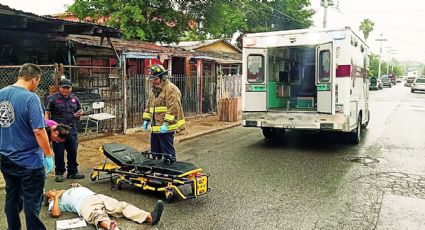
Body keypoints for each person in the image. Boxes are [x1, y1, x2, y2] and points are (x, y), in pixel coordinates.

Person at [0, 63, 54, 230]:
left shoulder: (1, 94)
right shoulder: (31, 98)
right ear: (34, 79)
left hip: (5, 157)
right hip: (29, 161)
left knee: (12, 196)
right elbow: (39, 131)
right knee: (32, 203)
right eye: (38, 82)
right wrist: (48, 155)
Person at [44, 183, 164, 229]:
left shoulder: (66, 191)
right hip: (84, 205)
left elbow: (80, 190)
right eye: (51, 191)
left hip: (97, 196)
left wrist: (78, 186)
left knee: (121, 206)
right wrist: (56, 197)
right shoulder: (54, 201)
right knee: (97, 215)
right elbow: (56, 214)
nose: (54, 189)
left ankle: (149, 217)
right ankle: (110, 227)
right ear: (49, 197)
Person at [142, 64, 185, 162]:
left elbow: (174, 108)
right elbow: (149, 106)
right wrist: (146, 120)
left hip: (166, 128)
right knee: (155, 153)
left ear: (162, 77)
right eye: (152, 79)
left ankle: (171, 171)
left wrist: (166, 124)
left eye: (155, 79)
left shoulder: (171, 89)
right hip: (156, 127)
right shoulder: (155, 90)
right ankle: (158, 171)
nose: (153, 81)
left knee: (167, 154)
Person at [45, 77, 85, 182]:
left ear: (71, 88)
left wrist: (78, 114)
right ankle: (59, 172)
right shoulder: (52, 98)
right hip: (58, 130)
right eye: (64, 88)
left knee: (73, 151)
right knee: (59, 152)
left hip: (71, 129)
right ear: (59, 88)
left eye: (68, 88)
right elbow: (47, 113)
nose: (66, 90)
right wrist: (48, 129)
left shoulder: (75, 98)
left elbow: (79, 110)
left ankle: (72, 172)